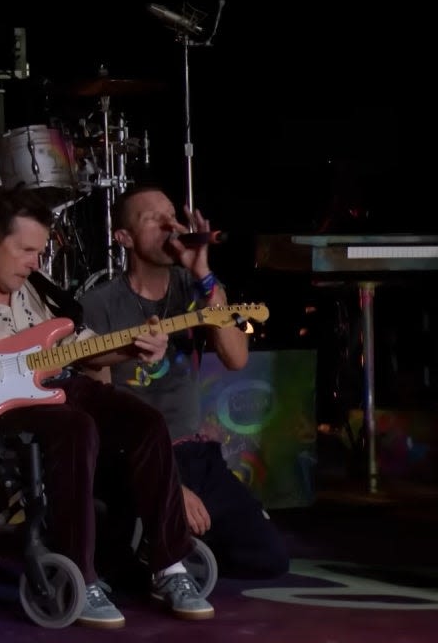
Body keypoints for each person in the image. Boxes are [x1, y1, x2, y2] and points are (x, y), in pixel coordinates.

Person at [0, 187, 214, 629]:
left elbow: (72, 347)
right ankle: (80, 574)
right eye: (25, 250)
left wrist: (131, 349)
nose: (35, 262)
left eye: (40, 251)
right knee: (74, 427)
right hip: (2, 405)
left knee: (145, 421)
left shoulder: (27, 286)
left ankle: (169, 564)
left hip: (52, 383)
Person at [77, 185, 290, 580]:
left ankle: (187, 548)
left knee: (270, 559)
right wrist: (169, 487)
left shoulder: (201, 290)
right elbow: (103, 407)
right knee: (117, 565)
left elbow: (236, 355)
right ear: (123, 237)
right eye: (152, 219)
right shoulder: (99, 305)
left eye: (171, 214)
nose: (169, 225)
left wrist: (203, 274)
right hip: (134, 456)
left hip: (196, 455)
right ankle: (163, 548)